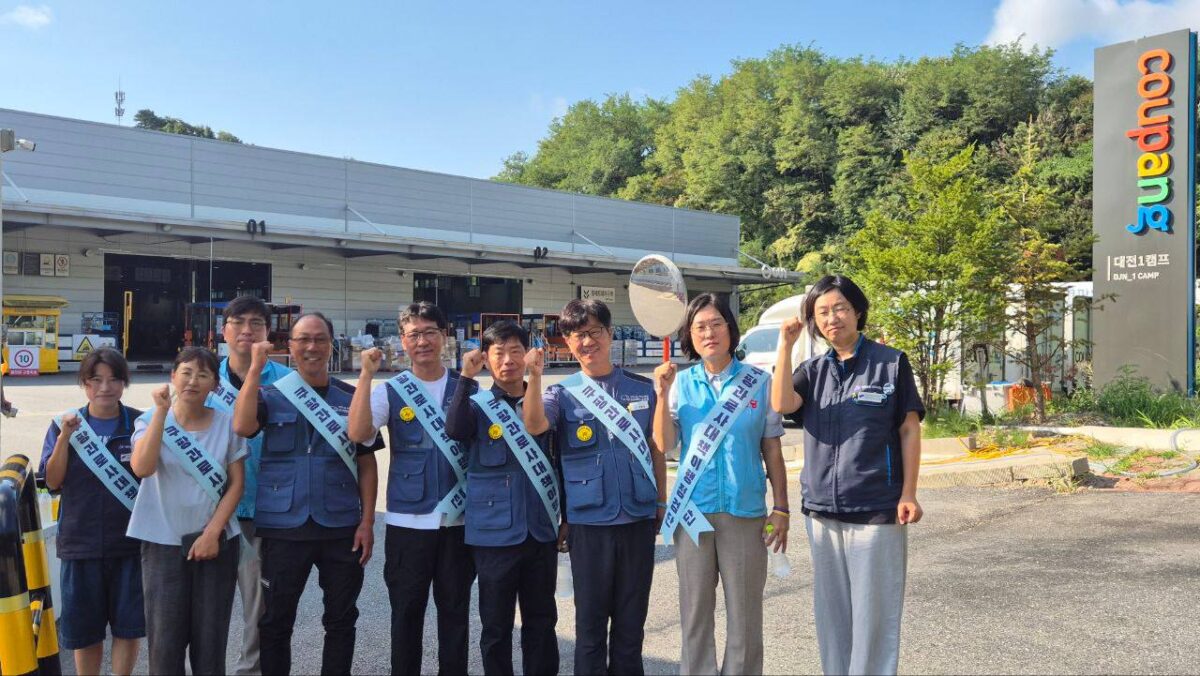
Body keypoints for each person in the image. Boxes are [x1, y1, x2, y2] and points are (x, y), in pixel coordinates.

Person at [770, 274, 924, 676]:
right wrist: (784, 345)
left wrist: (908, 493)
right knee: (832, 617)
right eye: (821, 312)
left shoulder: (890, 363)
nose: (832, 317)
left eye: (839, 308)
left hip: (876, 508)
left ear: (857, 311)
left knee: (874, 617)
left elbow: (909, 428)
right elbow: (782, 402)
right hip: (822, 511)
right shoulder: (813, 370)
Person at [232, 312, 382, 676]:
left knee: (341, 620)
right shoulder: (269, 395)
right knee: (275, 623)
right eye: (303, 340)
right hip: (284, 527)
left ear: (331, 345)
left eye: (319, 339)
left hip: (340, 525)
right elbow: (241, 425)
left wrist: (366, 522)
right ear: (291, 346)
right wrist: (254, 370)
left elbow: (367, 463)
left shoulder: (352, 396)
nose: (311, 347)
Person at [525, 298, 666, 676]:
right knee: (590, 628)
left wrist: (662, 502)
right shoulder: (561, 393)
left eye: (593, 332)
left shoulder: (641, 388)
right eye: (576, 335)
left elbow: (656, 450)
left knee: (631, 624)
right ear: (567, 344)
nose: (586, 342)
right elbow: (535, 426)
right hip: (590, 524)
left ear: (610, 333)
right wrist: (535, 378)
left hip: (637, 518)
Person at [651, 293, 789, 675]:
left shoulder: (759, 383)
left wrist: (781, 507)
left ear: (730, 329)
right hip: (692, 514)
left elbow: (772, 451)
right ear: (690, 337)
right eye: (699, 327)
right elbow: (664, 444)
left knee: (745, 614)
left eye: (716, 324)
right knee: (695, 612)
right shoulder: (680, 383)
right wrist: (661, 395)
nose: (709, 332)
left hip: (744, 513)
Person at [346, 301, 475, 675]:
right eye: (414, 334)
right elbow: (357, 434)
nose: (422, 341)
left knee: (455, 618)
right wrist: (366, 376)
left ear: (444, 336)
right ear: (402, 341)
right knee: (406, 617)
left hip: (457, 524)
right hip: (407, 523)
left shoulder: (465, 388)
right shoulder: (391, 391)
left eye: (430, 332)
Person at [446, 320, 563, 676]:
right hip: (493, 535)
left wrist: (567, 519)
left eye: (516, 351)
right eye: (499, 353)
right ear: (487, 359)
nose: (509, 360)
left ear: (527, 354)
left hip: (540, 531)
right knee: (496, 626)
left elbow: (560, 464)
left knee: (541, 622)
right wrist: (465, 378)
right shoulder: (477, 405)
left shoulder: (544, 402)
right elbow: (454, 429)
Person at [127, 347, 247, 676]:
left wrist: (212, 533)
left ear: (214, 385)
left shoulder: (227, 425)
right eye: (186, 372)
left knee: (210, 641)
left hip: (215, 543)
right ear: (173, 376)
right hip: (162, 540)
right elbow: (142, 467)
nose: (193, 380)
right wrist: (161, 414)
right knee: (165, 644)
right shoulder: (150, 420)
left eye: (203, 374)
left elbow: (237, 484)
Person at [39, 348, 145, 676]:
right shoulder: (64, 425)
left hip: (130, 543)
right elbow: (52, 481)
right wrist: (66, 438)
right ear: (84, 383)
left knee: (128, 628)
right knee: (84, 631)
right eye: (95, 379)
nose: (105, 387)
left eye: (114, 379)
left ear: (124, 382)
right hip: (80, 543)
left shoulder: (140, 423)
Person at [210, 295, 292, 676]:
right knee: (205, 606)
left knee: (257, 608)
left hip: (263, 510)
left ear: (268, 331)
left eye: (256, 323)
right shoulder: (204, 379)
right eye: (238, 322)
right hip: (208, 513)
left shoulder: (288, 383)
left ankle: (249, 672)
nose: (247, 330)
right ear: (223, 330)